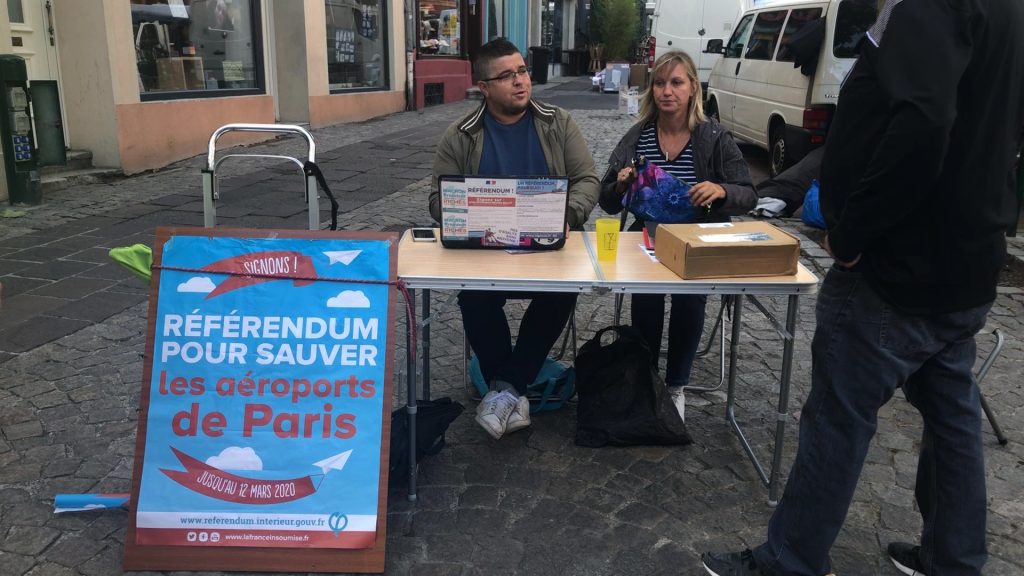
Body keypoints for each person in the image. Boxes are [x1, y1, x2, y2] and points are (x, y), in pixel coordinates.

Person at [702, 1, 1024, 574]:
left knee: (838, 415)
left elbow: (924, 123)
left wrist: (853, 231)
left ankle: (791, 559)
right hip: (967, 255)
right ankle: (952, 558)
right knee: (953, 416)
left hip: (898, 264)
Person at [430, 37, 599, 440]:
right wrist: (463, 212)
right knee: (473, 294)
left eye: (522, 71)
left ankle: (503, 389)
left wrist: (568, 217)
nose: (520, 81)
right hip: (485, 251)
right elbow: (438, 199)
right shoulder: (460, 135)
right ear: (484, 87)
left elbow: (587, 180)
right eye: (506, 76)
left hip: (547, 248)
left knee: (562, 289)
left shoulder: (558, 123)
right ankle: (512, 389)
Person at [598, 50, 756, 411]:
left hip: (698, 238)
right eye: (659, 83)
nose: (666, 91)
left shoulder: (713, 137)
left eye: (676, 82)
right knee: (647, 297)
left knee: (689, 298)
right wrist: (621, 186)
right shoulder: (637, 137)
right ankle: (648, 378)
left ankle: (676, 386)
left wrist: (722, 191)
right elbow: (606, 200)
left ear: (692, 88)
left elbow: (748, 194)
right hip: (647, 236)